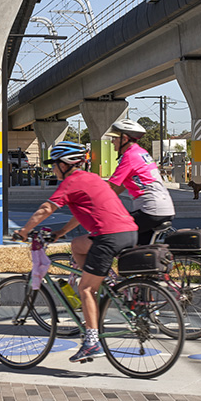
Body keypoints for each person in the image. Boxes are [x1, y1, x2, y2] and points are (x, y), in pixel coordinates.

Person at [15, 141, 137, 363]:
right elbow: (83, 211)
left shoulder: (70, 182)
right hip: (129, 232)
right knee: (78, 245)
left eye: (54, 164)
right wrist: (61, 232)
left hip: (108, 237)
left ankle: (92, 343)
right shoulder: (92, 179)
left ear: (64, 165)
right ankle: (106, 281)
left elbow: (46, 208)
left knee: (86, 289)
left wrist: (24, 231)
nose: (53, 169)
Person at [106, 119, 176, 245]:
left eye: (114, 138)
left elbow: (109, 187)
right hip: (163, 208)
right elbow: (120, 186)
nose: (112, 142)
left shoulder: (129, 156)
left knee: (111, 232)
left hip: (150, 210)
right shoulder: (141, 153)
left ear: (124, 139)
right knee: (139, 249)